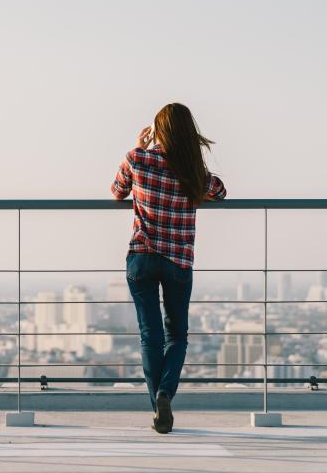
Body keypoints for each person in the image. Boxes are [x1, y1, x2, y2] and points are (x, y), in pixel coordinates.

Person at [111, 103, 226, 434]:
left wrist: (139, 147)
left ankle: (157, 407)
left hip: (142, 257)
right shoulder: (191, 171)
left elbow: (117, 191)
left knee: (150, 335)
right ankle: (165, 394)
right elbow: (220, 192)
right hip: (178, 261)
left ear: (157, 131)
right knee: (177, 334)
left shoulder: (138, 159)